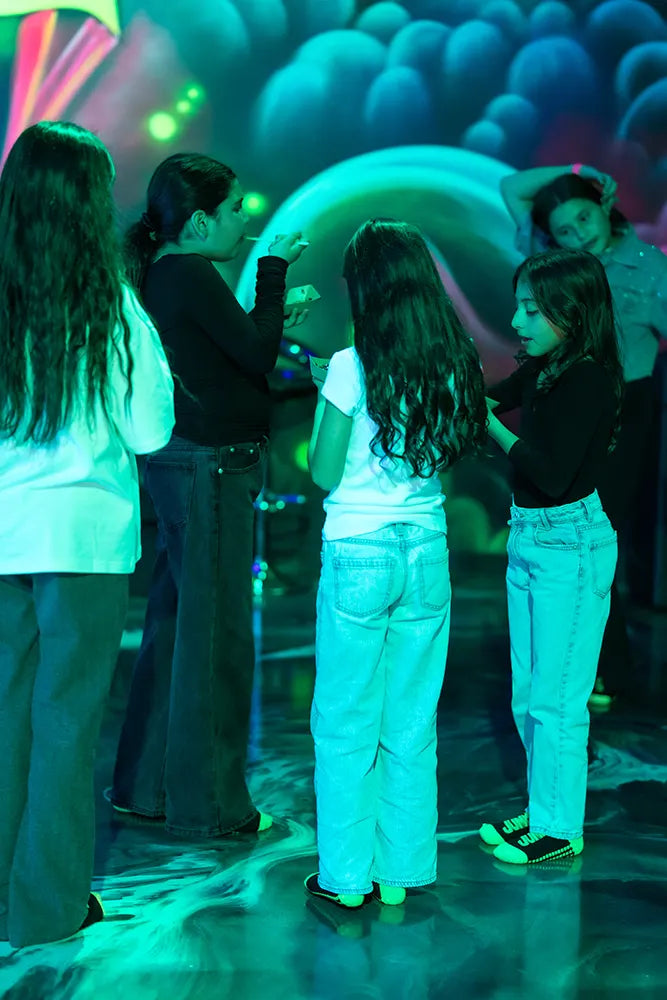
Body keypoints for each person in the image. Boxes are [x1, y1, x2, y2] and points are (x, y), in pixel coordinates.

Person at [0, 121, 174, 948]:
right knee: (65, 726)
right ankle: (46, 908)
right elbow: (148, 432)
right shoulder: (114, 309)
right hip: (83, 545)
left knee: (5, 720)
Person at [108, 153, 307, 837]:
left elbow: (230, 353)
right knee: (217, 637)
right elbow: (254, 357)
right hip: (210, 468)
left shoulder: (168, 273)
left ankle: (145, 786)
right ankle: (213, 804)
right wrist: (277, 268)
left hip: (185, 464)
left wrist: (270, 310)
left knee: (174, 629)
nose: (244, 220)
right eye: (233, 210)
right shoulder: (190, 272)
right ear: (198, 222)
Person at [305, 219, 487, 908]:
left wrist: (332, 395)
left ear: (365, 286)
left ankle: (345, 879)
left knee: (346, 719)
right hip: (425, 547)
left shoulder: (353, 364)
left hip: (357, 546)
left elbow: (325, 472)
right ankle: (401, 874)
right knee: (411, 720)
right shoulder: (452, 358)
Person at [500, 164, 667, 706]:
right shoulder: (557, 267)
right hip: (552, 391)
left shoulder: (647, 266)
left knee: (600, 532)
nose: (578, 233)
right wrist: (581, 170)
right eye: (564, 230)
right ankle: (590, 663)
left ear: (605, 205)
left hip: (623, 403)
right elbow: (512, 188)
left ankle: (603, 667)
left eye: (584, 216)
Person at [481, 248, 623, 864]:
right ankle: (544, 810)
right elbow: (490, 394)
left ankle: (560, 829)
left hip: (572, 543)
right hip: (530, 538)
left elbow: (552, 471)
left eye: (534, 310)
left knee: (558, 700)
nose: (518, 321)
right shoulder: (544, 366)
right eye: (519, 306)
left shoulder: (587, 376)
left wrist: (490, 426)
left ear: (572, 311)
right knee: (526, 693)